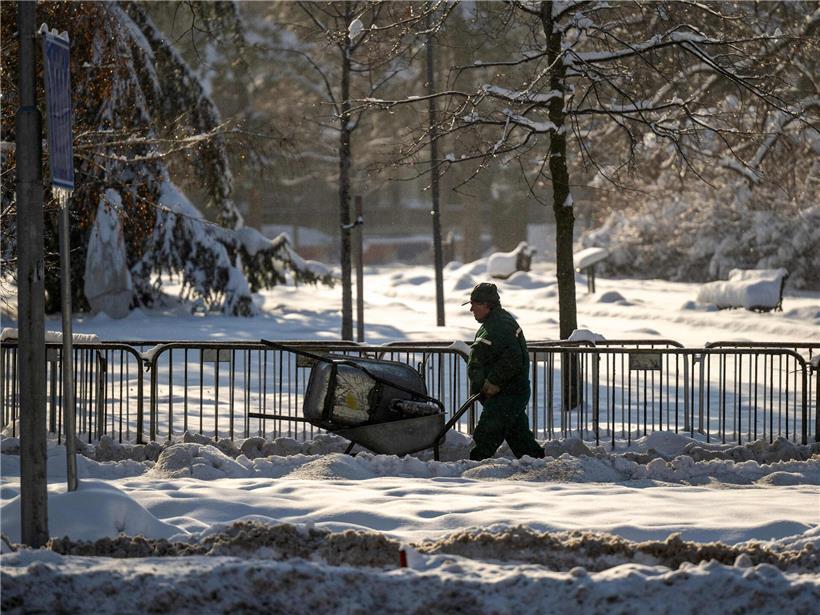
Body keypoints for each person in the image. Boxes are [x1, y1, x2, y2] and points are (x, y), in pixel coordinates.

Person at [464, 282, 545, 461]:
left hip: (506, 394)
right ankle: (540, 466)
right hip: (505, 394)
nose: (471, 309)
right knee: (520, 438)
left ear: (486, 304)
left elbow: (513, 357)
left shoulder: (499, 325)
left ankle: (470, 474)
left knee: (486, 435)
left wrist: (494, 381)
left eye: (474, 304)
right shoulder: (492, 323)